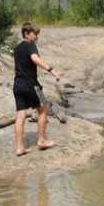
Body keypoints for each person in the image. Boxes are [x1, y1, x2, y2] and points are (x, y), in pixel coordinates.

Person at [13, 22, 62, 156]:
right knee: (43, 109)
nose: (37, 37)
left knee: (20, 116)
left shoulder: (17, 48)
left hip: (17, 85)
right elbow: (34, 59)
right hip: (30, 85)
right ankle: (41, 141)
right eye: (35, 34)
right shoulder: (31, 46)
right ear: (27, 34)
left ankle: (19, 148)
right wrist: (52, 70)